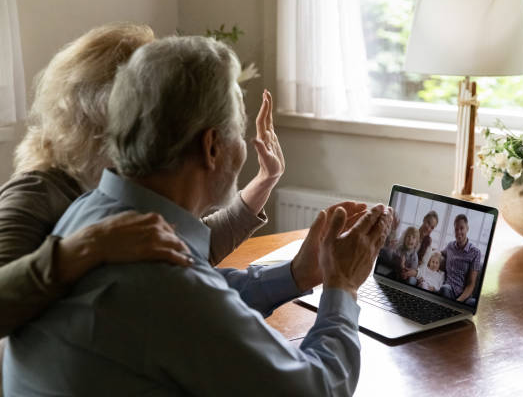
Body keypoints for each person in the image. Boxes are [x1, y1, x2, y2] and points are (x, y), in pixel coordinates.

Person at [3, 36, 394, 396]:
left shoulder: (92, 211)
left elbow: (199, 294)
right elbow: (316, 389)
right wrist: (342, 287)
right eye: (239, 134)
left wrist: (296, 275)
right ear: (211, 146)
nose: (243, 149)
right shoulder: (166, 284)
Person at [0, 23, 285, 378]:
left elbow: (172, 244)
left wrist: (261, 184)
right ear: (102, 104)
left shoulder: (125, 180)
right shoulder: (39, 189)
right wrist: (85, 248)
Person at [439, 214, 481, 305]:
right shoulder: (450, 246)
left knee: (474, 303)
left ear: (467, 228)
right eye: (456, 229)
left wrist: (458, 302)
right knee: (444, 289)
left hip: (464, 296)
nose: (458, 232)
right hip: (448, 289)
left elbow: (471, 284)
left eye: (462, 228)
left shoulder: (475, 252)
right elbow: (439, 253)